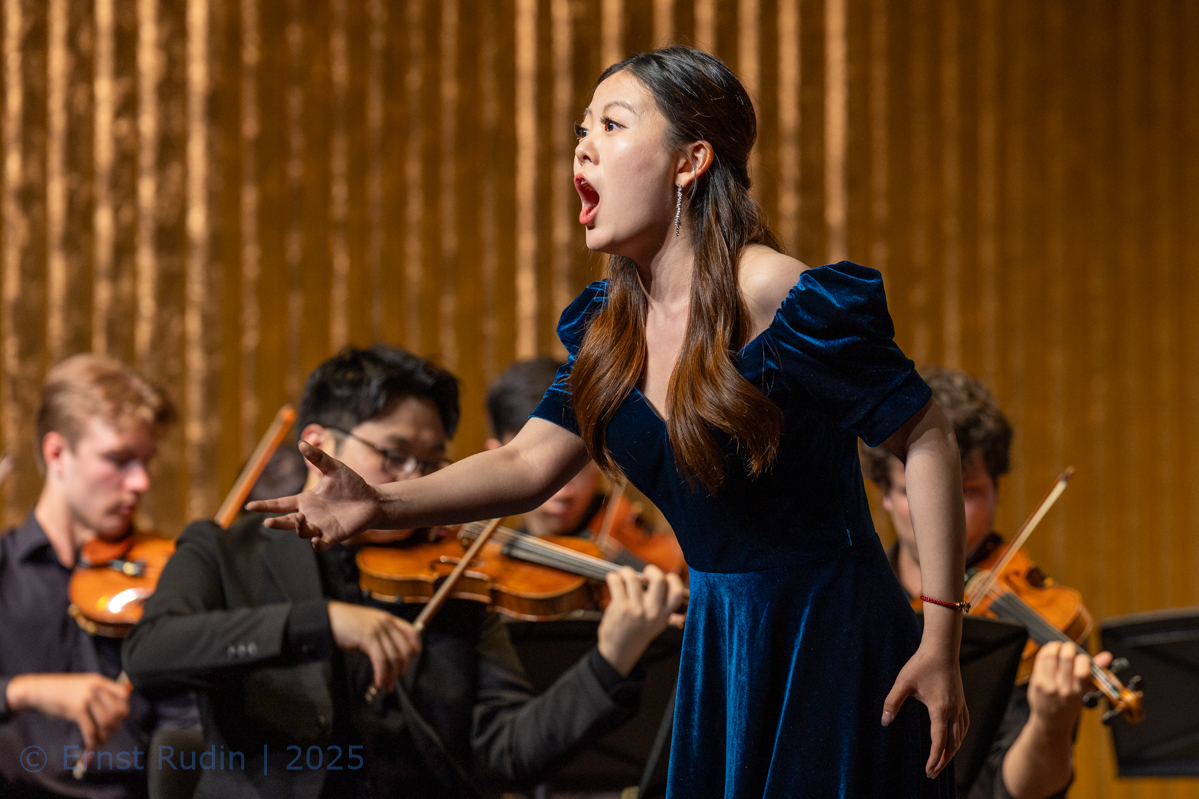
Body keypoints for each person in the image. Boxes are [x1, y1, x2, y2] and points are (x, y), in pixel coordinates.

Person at [252, 46, 968, 797]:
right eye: (579, 128)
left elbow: (923, 434)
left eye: (612, 124)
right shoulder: (611, 329)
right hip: (722, 644)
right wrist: (380, 502)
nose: (582, 144)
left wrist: (940, 634)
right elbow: (527, 463)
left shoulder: (772, 289)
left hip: (833, 634)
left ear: (690, 161)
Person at [124, 345, 684, 798]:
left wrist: (612, 661)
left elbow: (509, 751)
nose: (412, 479)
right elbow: (150, 654)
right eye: (393, 455)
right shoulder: (225, 553)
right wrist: (323, 622)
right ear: (317, 445)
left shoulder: (454, 578)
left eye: (431, 463)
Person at [861, 367, 1114, 799]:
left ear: (996, 490)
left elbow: (1015, 791)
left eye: (966, 490)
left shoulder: (1039, 618)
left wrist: (1051, 726)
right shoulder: (857, 606)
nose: (942, 511)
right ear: (884, 494)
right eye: (912, 492)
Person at [0, 354, 195, 799]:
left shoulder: (160, 574)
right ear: (56, 454)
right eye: (119, 459)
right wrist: (26, 690)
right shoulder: (3, 570)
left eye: (146, 460)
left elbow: (185, 722)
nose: (141, 481)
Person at [486, 357, 686, 574]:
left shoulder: (630, 538)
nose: (563, 493)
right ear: (496, 453)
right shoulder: (491, 568)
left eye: (574, 464)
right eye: (536, 465)